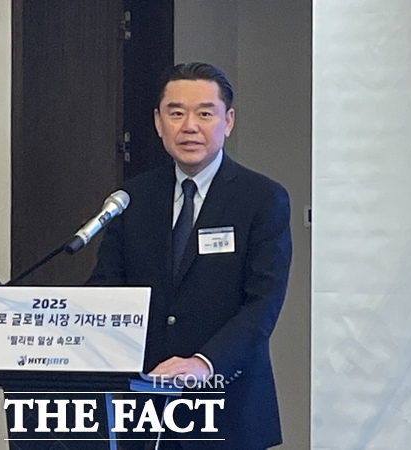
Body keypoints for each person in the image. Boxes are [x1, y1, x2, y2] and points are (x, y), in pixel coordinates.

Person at [88, 62, 292, 449]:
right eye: (176, 113)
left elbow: (262, 304)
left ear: (228, 121)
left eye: (205, 113)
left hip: (228, 406)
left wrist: (203, 363)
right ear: (158, 122)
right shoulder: (133, 197)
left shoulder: (261, 198)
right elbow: (107, 288)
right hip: (145, 406)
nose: (189, 126)